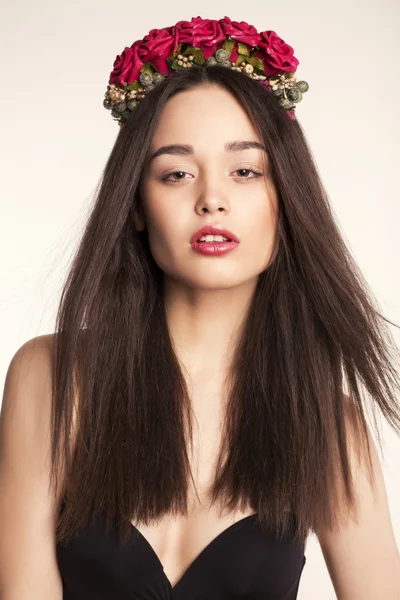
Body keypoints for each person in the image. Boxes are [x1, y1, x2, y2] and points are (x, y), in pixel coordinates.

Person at [1, 15, 400, 600]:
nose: (212, 199)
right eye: (177, 173)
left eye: (245, 171)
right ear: (135, 205)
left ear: (285, 200)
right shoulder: (51, 377)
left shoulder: (328, 426)